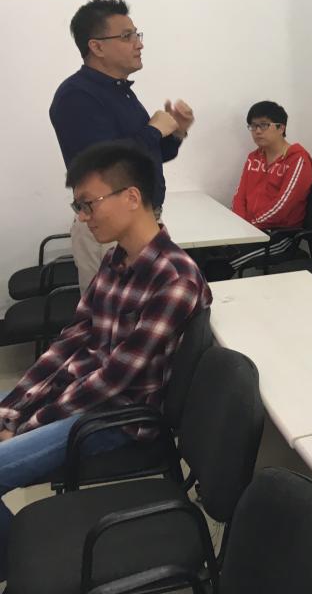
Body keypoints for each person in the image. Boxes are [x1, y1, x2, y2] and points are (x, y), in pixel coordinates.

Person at [0, 143, 211, 579]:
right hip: (80, 399)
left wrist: (25, 425)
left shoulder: (174, 279)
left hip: (115, 420)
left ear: (132, 197)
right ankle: (13, 562)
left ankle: (16, 571)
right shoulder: (116, 261)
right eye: (78, 206)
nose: (83, 217)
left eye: (88, 204)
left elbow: (113, 381)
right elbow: (70, 341)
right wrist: (12, 410)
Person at [50, 0, 196, 291]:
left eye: (136, 34)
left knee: (148, 308)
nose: (138, 44)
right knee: (110, 313)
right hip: (110, 228)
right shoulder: (76, 96)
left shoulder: (120, 92)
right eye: (127, 36)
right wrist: (153, 130)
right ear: (97, 47)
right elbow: (105, 166)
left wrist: (177, 132)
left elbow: (146, 158)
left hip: (140, 221)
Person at [206, 101, 312, 278]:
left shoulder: (297, 160)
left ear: (281, 128)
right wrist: (241, 226)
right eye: (253, 126)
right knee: (204, 252)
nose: (257, 131)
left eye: (263, 125)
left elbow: (282, 207)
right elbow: (240, 196)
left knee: (219, 265)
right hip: (249, 230)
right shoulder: (254, 158)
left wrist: (250, 228)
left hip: (281, 236)